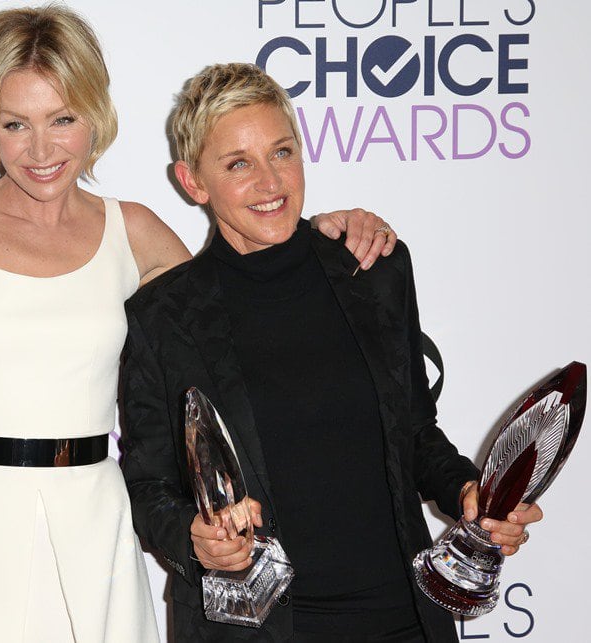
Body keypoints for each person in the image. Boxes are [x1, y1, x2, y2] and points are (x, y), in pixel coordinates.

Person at [0, 7, 396, 642]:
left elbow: (243, 283)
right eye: (15, 124)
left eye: (63, 120)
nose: (41, 150)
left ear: (94, 116)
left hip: (93, 528)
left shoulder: (133, 232)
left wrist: (325, 229)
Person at [121, 62, 544, 643]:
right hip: (260, 631)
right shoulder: (162, 317)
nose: (270, 182)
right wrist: (195, 538)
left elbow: (417, 434)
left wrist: (472, 494)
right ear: (193, 182)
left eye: (283, 152)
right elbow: (148, 488)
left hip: (403, 618)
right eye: (238, 164)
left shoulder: (373, 268)